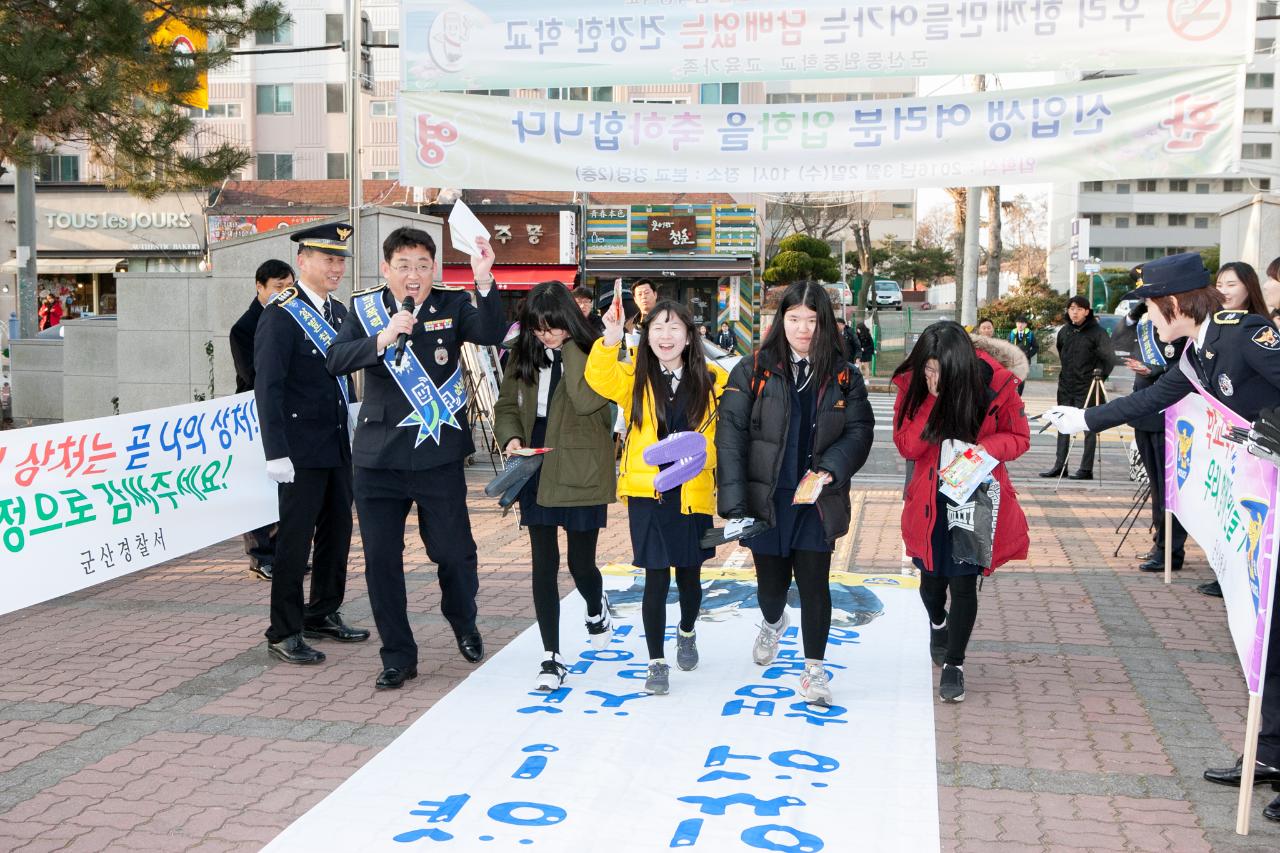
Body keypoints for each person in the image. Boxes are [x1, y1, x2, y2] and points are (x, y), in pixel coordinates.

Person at [1043, 252, 1280, 824]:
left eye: (1150, 307)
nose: (1147, 318)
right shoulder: (1199, 348)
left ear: (1173, 303)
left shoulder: (1246, 332)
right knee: (1265, 631)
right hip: (1261, 506)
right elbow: (1159, 395)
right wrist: (1084, 419)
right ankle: (1270, 752)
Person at [327, 227, 505, 690]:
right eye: (403, 266)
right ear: (386, 269)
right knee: (382, 562)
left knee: (454, 554)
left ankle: (463, 620)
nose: (414, 275)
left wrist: (484, 281)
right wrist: (384, 338)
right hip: (378, 459)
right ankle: (398, 656)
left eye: (423, 266)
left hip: (438, 457)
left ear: (434, 270)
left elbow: (491, 332)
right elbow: (336, 359)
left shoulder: (451, 304)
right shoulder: (366, 309)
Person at [717, 282, 875, 707]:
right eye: (794, 319)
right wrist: (733, 505)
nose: (804, 329)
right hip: (767, 500)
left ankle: (814, 670)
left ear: (825, 322)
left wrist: (831, 468)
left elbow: (860, 430)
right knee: (771, 589)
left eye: (812, 320)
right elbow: (729, 439)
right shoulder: (751, 369)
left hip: (816, 500)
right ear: (779, 321)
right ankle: (772, 622)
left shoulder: (844, 374)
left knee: (814, 584)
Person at [586, 298, 727, 696]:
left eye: (674, 328)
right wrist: (610, 340)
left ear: (688, 336)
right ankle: (655, 661)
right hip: (648, 493)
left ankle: (686, 631)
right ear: (647, 336)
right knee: (654, 577)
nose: (665, 336)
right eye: (657, 328)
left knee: (690, 577)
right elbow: (598, 378)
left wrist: (698, 456)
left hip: (692, 493)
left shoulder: (713, 379)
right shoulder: (633, 377)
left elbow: (721, 440)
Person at [893, 322, 1029, 703]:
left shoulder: (995, 385)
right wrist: (933, 400)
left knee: (964, 583)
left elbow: (1019, 438)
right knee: (932, 582)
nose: (933, 377)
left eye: (941, 371)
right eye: (928, 369)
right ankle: (938, 622)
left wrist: (986, 450)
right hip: (929, 500)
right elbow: (907, 446)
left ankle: (955, 663)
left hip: (975, 495)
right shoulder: (914, 388)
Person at [253, 223, 369, 666]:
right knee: (295, 543)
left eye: (340, 260)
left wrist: (356, 417)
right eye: (328, 259)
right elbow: (269, 386)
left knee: (338, 534)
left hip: (338, 444)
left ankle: (322, 610)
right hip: (299, 450)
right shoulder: (282, 313)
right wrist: (275, 450)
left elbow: (345, 376)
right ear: (303, 262)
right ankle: (283, 629)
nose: (337, 267)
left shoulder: (339, 313)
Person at [494, 282, 616, 691]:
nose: (545, 334)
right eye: (538, 327)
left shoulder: (595, 350)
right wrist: (512, 438)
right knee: (543, 562)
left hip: (582, 458)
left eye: (553, 326)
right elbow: (507, 405)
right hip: (537, 456)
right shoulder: (522, 353)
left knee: (581, 564)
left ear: (569, 319)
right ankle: (551, 654)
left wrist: (569, 349)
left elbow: (585, 401)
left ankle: (596, 606)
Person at [1113, 266, 1190, 578]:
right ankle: (1162, 541)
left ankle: (1170, 549)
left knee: (1169, 487)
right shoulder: (1146, 324)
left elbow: (1183, 367)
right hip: (1144, 416)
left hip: (1168, 417)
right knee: (1156, 487)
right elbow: (1117, 340)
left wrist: (1153, 371)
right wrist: (1135, 313)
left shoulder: (1181, 326)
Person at [229, 259, 294, 581]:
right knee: (257, 486)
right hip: (254, 415)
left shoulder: (295, 317)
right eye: (277, 288)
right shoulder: (243, 328)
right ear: (260, 287)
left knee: (286, 486)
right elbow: (251, 376)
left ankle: (283, 551)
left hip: (289, 414)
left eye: (288, 286)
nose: (284, 293)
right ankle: (260, 556)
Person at [1039, 295, 1114, 480]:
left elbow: (1109, 358)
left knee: (1089, 427)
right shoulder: (1064, 331)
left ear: (1087, 312)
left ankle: (1086, 468)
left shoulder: (1097, 333)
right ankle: (1060, 466)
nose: (1075, 312)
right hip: (1066, 385)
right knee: (1062, 424)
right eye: (1072, 308)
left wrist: (1100, 374)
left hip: (1088, 387)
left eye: (1079, 309)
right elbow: (1060, 350)